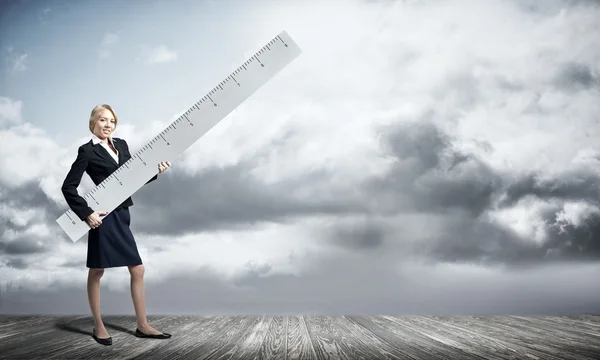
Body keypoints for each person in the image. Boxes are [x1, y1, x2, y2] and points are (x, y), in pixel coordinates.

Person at [61, 104, 172, 346]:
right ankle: (98, 325)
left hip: (122, 214)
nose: (107, 124)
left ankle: (142, 326)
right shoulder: (87, 151)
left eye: (111, 120)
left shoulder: (121, 144)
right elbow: (68, 187)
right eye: (102, 120)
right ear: (93, 123)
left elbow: (132, 177)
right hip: (102, 217)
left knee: (137, 269)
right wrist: (87, 213)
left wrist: (156, 171)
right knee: (97, 270)